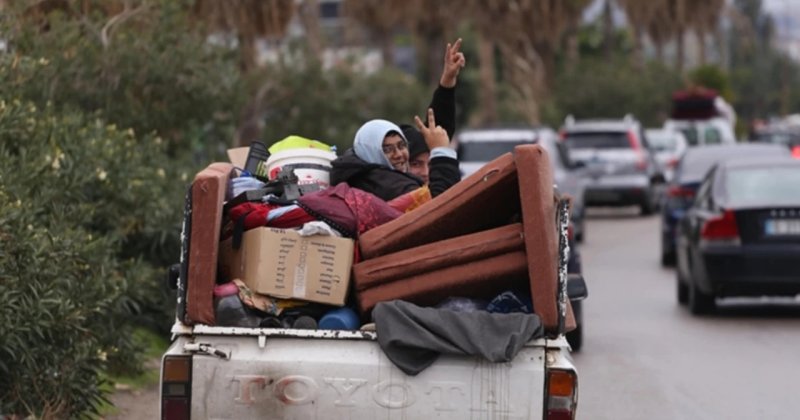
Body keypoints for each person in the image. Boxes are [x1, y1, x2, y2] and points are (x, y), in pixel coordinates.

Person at [329, 108, 456, 201]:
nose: (399, 154)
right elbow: (439, 205)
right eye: (388, 149)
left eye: (401, 145)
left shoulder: (367, 175)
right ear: (370, 153)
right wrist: (441, 151)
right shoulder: (389, 185)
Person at [403, 38, 466, 184]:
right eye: (415, 164)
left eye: (432, 164)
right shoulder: (395, 193)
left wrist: (448, 80)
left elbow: (439, 130)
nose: (426, 173)